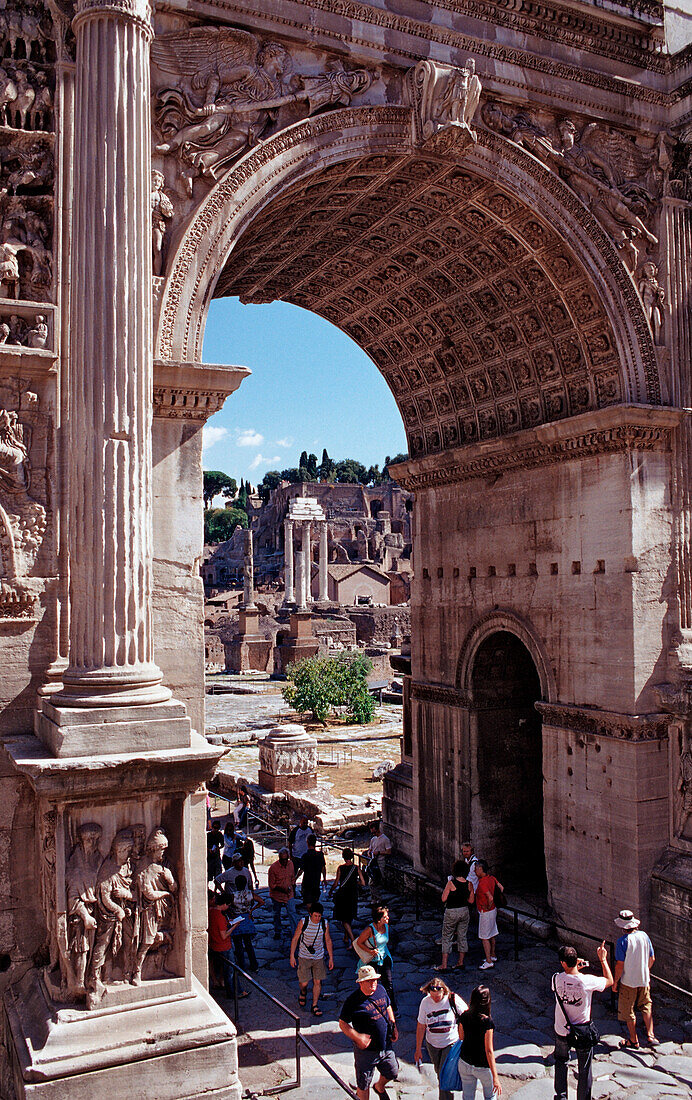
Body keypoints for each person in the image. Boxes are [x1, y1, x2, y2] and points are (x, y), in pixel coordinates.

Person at [553, 942, 612, 1100]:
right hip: (582, 1030)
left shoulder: (556, 979)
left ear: (563, 963)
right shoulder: (587, 981)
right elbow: (609, 980)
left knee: (561, 1063)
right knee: (585, 1068)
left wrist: (573, 968)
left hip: (562, 1029)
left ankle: (561, 1096)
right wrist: (603, 959)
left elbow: (567, 977)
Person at [339, 964, 399, 1100]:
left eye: (375, 980)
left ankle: (379, 1087)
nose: (373, 983)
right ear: (360, 983)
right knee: (363, 1084)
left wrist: (393, 1025)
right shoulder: (352, 1001)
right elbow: (342, 1023)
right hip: (366, 1052)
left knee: (392, 1072)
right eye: (369, 981)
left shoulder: (381, 989)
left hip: (386, 1045)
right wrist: (358, 1037)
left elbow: (388, 1006)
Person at [415, 977, 468, 1100]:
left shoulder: (452, 999)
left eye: (437, 997)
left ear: (443, 991)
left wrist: (462, 1037)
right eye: (432, 996)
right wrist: (418, 1049)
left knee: (444, 1075)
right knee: (439, 1073)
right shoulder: (425, 1002)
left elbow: (467, 1016)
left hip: (450, 1043)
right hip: (432, 1044)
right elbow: (421, 1026)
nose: (435, 999)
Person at [612, 909, 657, 1049]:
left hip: (628, 981)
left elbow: (620, 965)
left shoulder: (622, 942)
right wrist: (644, 970)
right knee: (646, 1004)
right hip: (644, 978)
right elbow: (652, 958)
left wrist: (615, 982)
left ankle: (633, 1039)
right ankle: (651, 1035)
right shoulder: (644, 936)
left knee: (628, 1010)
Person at [457, 985, 501, 1099]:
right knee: (490, 1096)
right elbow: (489, 1050)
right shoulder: (487, 1022)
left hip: (465, 1062)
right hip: (483, 1067)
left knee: (467, 1097)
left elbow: (461, 1037)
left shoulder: (464, 1016)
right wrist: (495, 1077)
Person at [290, 901, 334, 1016]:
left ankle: (315, 1005)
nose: (317, 918)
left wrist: (331, 958)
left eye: (319, 916)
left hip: (318, 956)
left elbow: (328, 940)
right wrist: (292, 956)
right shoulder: (303, 922)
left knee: (317, 981)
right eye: (315, 916)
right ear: (310, 914)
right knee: (304, 983)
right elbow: (295, 938)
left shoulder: (324, 924)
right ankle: (303, 991)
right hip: (304, 956)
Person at [354, 905, 397, 1016]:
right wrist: (369, 951)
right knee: (373, 984)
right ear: (378, 919)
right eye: (385, 917)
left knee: (388, 983)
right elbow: (359, 942)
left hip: (384, 957)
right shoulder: (370, 930)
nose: (388, 918)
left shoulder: (386, 926)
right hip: (373, 960)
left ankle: (392, 1008)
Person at [208, 890, 248, 999]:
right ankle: (234, 992)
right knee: (230, 971)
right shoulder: (220, 917)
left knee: (226, 969)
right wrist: (234, 926)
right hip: (224, 945)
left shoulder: (211, 911)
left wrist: (229, 922)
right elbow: (224, 935)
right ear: (225, 904)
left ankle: (230, 989)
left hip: (214, 944)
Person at [436, 860, 474, 972]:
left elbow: (443, 898)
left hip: (451, 911)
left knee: (447, 936)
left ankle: (444, 964)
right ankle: (460, 962)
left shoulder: (451, 883)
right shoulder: (469, 884)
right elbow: (471, 901)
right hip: (464, 911)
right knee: (462, 936)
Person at [330, 847, 366, 944]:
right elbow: (363, 883)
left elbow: (336, 883)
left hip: (343, 894)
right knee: (349, 916)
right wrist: (355, 882)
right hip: (353, 894)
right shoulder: (356, 868)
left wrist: (330, 891)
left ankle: (353, 939)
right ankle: (346, 937)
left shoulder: (340, 868)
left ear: (343, 857)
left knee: (343, 918)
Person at [230, 874, 263, 972]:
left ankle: (241, 966)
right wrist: (252, 910)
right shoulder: (250, 894)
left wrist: (232, 914)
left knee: (238, 945)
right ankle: (254, 965)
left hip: (237, 920)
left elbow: (227, 907)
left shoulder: (233, 895)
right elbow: (262, 902)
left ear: (236, 884)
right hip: (247, 919)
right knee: (248, 944)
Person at [474, 861, 502, 969]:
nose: (475, 871)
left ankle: (489, 960)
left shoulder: (482, 883)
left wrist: (487, 906)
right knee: (492, 933)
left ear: (481, 869)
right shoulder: (492, 878)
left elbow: (490, 897)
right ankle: (493, 954)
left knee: (484, 937)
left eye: (476, 869)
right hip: (493, 909)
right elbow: (501, 887)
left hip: (486, 911)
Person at [268, 847, 298, 939]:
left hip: (289, 894)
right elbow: (272, 885)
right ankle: (277, 931)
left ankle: (295, 933)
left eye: (286, 859)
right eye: (282, 860)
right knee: (277, 914)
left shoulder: (291, 864)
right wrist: (282, 890)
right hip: (277, 896)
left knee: (292, 913)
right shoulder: (273, 868)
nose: (284, 862)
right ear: (279, 858)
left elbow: (292, 878)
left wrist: (293, 887)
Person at [366, 821, 392, 903]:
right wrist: (369, 853)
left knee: (376, 881)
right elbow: (370, 849)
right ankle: (375, 898)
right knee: (371, 881)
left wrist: (379, 853)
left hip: (380, 862)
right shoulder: (373, 839)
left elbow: (389, 852)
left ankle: (377, 898)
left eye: (373, 831)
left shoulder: (385, 839)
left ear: (377, 829)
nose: (372, 833)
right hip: (373, 862)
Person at [300, 833, 327, 908]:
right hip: (316, 882)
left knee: (308, 903)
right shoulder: (320, 855)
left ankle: (311, 917)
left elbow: (301, 870)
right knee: (315, 902)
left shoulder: (305, 856)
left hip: (307, 882)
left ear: (307, 842)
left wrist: (295, 878)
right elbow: (323, 868)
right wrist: (324, 879)